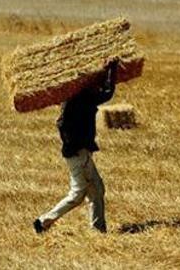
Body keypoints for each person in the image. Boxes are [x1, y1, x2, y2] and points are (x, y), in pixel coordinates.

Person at [34, 59, 118, 234]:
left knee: (94, 190)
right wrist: (112, 69)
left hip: (76, 152)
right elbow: (107, 93)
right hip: (79, 153)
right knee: (79, 194)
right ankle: (43, 221)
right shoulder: (81, 98)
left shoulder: (72, 98)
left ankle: (97, 228)